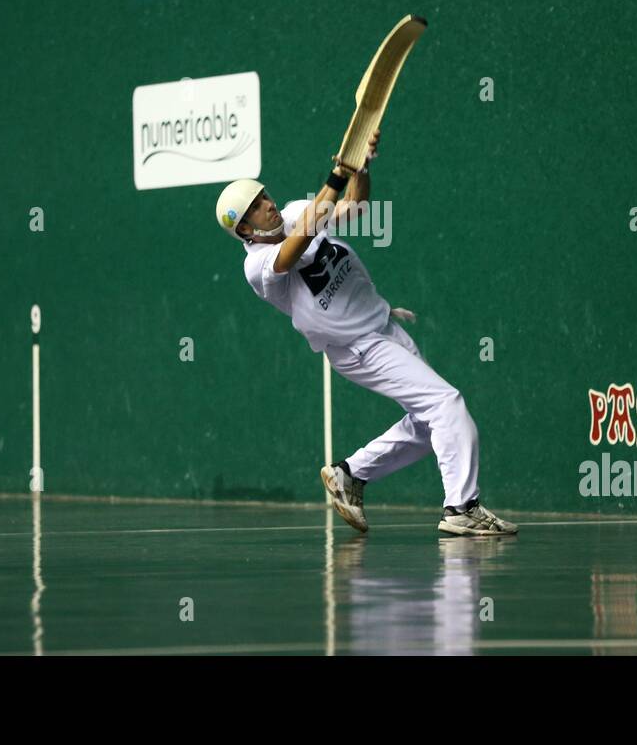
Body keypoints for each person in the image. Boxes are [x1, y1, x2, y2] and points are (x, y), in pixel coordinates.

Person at [215, 132, 517, 536]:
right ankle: (461, 508)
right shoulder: (257, 266)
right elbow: (294, 248)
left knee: (430, 424)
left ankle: (350, 474)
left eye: (264, 197)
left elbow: (355, 205)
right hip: (358, 348)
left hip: (383, 323)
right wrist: (336, 174)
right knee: (448, 404)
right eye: (255, 208)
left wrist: (359, 168)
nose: (267, 205)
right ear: (245, 232)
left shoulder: (296, 211)